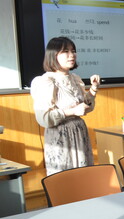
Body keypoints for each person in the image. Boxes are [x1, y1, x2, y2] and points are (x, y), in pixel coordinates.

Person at [30, 37, 101, 176]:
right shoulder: (45, 81)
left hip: (79, 133)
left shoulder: (75, 79)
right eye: (65, 51)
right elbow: (44, 118)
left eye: (73, 51)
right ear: (53, 55)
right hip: (60, 136)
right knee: (65, 180)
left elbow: (86, 107)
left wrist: (93, 89)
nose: (72, 55)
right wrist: (72, 111)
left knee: (84, 178)